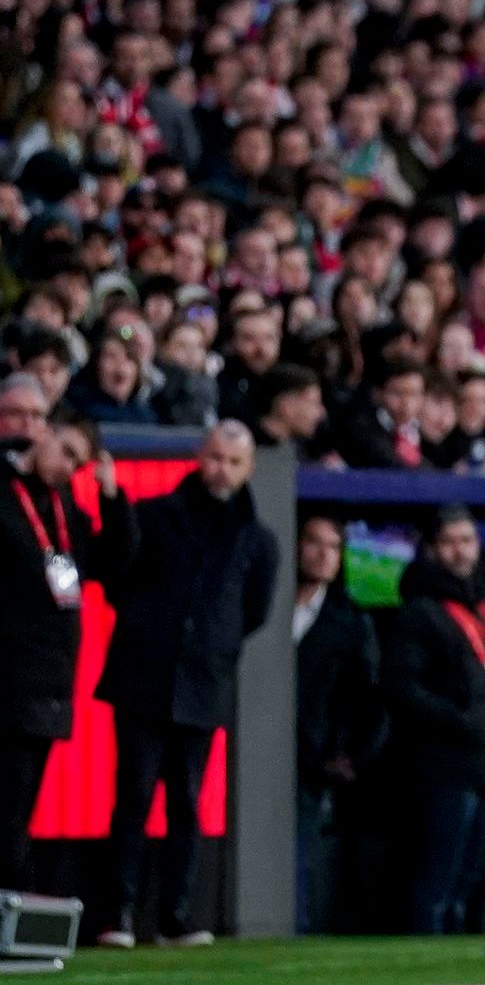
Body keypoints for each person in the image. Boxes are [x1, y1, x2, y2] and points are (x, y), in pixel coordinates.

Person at [96, 422, 278, 947]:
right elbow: (119, 578)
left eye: (233, 461)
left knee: (187, 804)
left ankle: (176, 915)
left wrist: (210, 648)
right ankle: (119, 913)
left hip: (202, 684)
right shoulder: (155, 516)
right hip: (143, 679)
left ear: (249, 469)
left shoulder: (256, 539)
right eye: (216, 457)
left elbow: (254, 611)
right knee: (131, 797)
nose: (222, 469)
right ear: (201, 457)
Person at [0, 402, 134, 892]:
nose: (67, 468)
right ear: (44, 434)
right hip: (10, 677)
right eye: (67, 453)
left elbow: (114, 564)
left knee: (19, 805)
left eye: (78, 464)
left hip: (48, 684)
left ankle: (13, 904)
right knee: (9, 804)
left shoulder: (62, 510)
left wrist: (111, 497)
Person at [382, 505, 485, 934]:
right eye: (449, 543)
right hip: (446, 768)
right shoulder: (420, 612)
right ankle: (424, 969)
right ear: (430, 549)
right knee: (436, 887)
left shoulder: (482, 605)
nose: (460, 552)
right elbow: (403, 690)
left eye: (467, 541)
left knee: (470, 885)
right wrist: (463, 721)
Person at [290, 515, 382, 933]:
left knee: (299, 857)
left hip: (310, 761)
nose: (323, 553)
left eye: (333, 546)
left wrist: (347, 756)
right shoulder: (262, 605)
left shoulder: (351, 622)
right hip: (252, 754)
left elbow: (370, 700)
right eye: (313, 541)